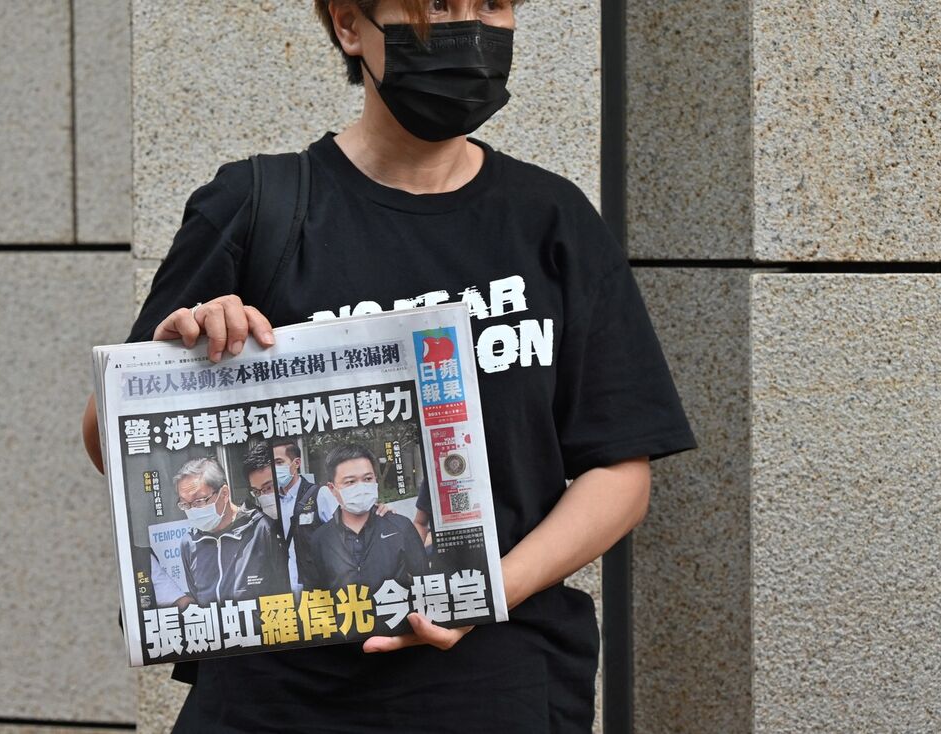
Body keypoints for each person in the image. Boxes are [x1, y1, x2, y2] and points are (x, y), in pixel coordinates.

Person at [81, 1, 697, 730]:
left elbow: (620, 473)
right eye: (437, 5)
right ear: (349, 25)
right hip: (277, 695)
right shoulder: (254, 207)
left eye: (493, 6)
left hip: (496, 681)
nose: (470, 31)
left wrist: (488, 590)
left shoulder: (553, 221)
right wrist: (184, 354)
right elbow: (110, 440)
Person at [308, 443, 428, 591]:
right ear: (332, 489)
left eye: (367, 479)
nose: (361, 487)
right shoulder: (321, 539)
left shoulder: (400, 526)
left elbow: (424, 582)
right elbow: (319, 594)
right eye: (350, 482)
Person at [173, 457, 289, 606]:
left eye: (199, 501)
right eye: (185, 504)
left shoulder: (262, 528)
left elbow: (285, 589)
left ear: (224, 493)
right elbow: (198, 597)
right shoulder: (190, 543)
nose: (193, 510)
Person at [241, 441, 324, 590]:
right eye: (257, 491)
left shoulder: (317, 496)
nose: (264, 495)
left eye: (268, 487)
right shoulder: (259, 518)